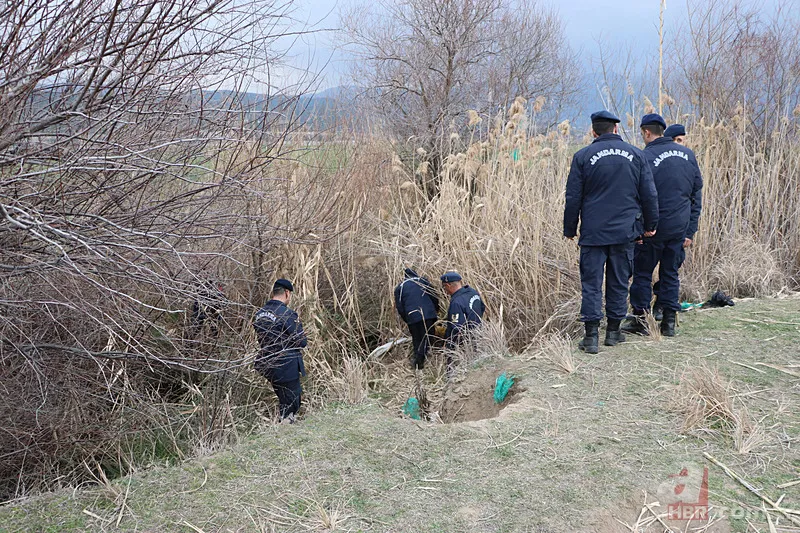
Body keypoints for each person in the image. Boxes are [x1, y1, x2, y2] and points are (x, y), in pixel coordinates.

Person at [563, 110, 659, 354]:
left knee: (592, 284)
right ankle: (614, 333)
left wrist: (569, 228)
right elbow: (649, 194)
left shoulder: (582, 156)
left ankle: (592, 337)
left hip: (593, 234)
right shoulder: (637, 155)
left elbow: (573, 197)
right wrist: (650, 225)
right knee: (618, 282)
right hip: (625, 232)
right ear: (616, 129)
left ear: (594, 132)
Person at [623, 114, 703, 337]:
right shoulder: (688, 155)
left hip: (652, 229)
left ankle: (640, 320)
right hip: (678, 228)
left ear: (647, 133)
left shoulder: (644, 156)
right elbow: (695, 194)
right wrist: (690, 230)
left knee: (642, 274)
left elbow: (637, 196)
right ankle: (668, 323)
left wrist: (640, 228)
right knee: (670, 275)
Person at [253, 279, 307, 423]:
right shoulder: (287, 314)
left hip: (269, 364)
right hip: (287, 365)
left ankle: (284, 427)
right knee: (292, 401)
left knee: (283, 398)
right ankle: (286, 429)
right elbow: (301, 342)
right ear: (287, 293)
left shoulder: (260, 313)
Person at [394, 268, 439, 369]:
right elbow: (434, 296)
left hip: (412, 316)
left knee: (417, 338)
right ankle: (420, 358)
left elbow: (400, 307)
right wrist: (436, 310)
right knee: (428, 335)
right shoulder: (423, 281)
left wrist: (407, 319)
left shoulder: (400, 288)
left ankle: (417, 360)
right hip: (428, 315)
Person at [440, 272, 485, 366]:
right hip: (479, 333)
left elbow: (456, 328)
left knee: (456, 364)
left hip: (465, 340)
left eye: (444, 287)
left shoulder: (456, 302)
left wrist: (449, 345)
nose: (445, 291)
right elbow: (482, 307)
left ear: (448, 285)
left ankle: (452, 377)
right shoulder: (473, 292)